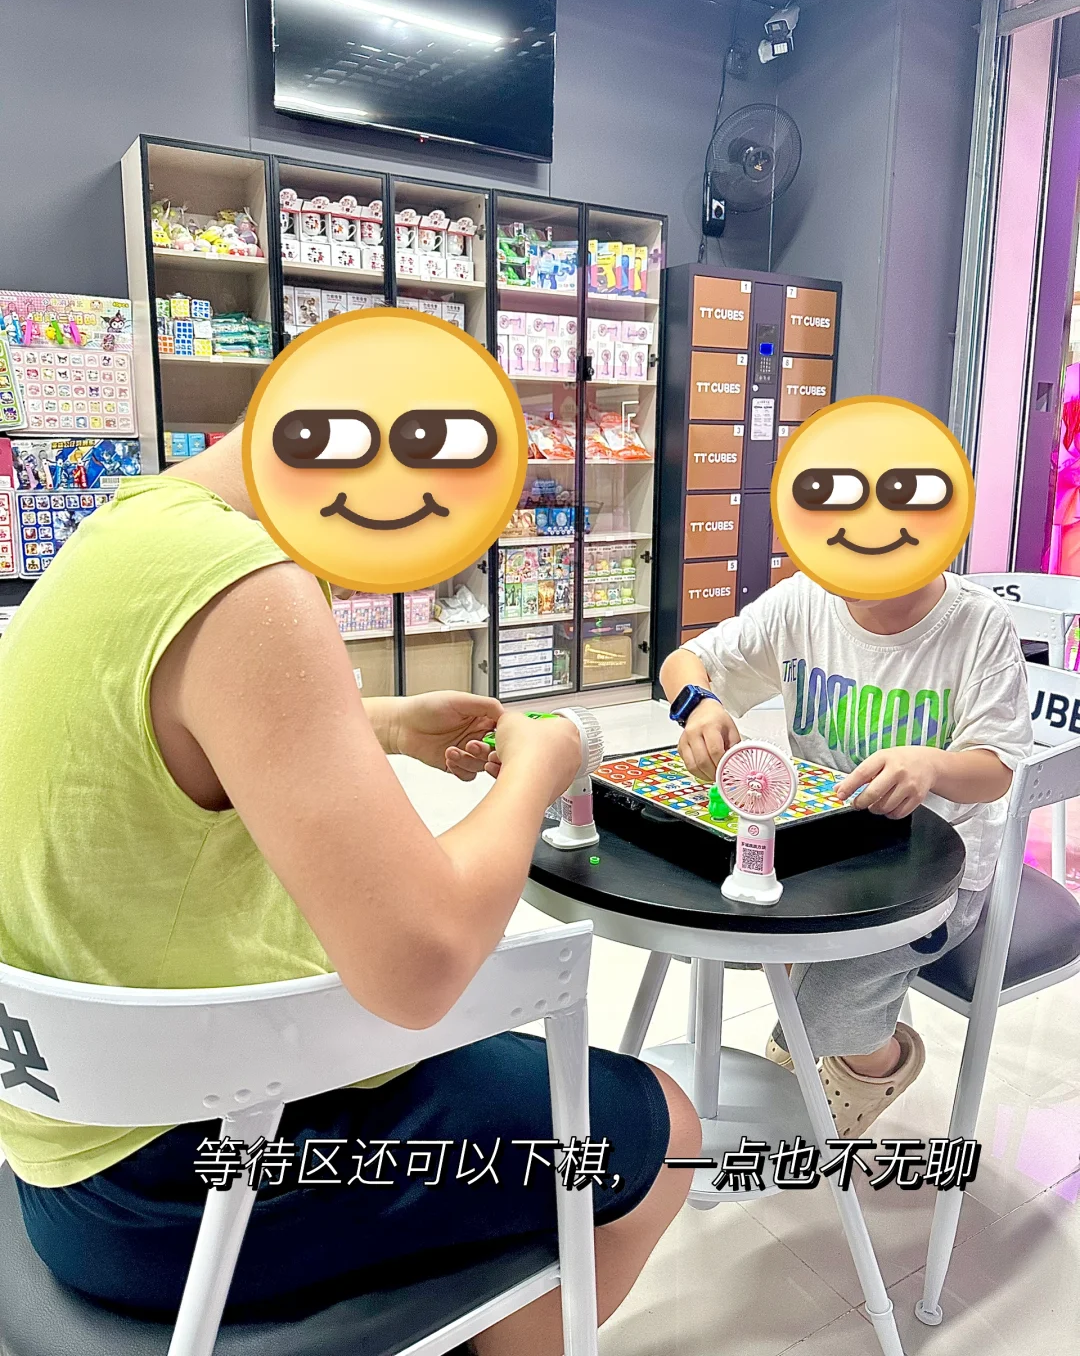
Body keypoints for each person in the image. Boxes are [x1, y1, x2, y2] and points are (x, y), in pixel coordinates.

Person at [0, 426, 700, 1350]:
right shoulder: (248, 581)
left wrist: (377, 723)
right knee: (665, 1129)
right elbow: (424, 963)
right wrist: (540, 769)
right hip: (186, 1188)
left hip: (62, 1149)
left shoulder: (129, 531)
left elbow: (166, 732)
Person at [660, 568, 1032, 1135]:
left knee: (827, 1005)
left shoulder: (977, 622)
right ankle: (814, 1038)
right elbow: (686, 661)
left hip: (932, 871)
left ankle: (878, 1065)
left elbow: (998, 769)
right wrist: (700, 705)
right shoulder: (804, 599)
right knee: (718, 931)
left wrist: (932, 765)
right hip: (817, 851)